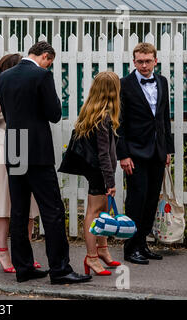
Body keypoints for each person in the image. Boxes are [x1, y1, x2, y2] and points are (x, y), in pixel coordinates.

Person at [0, 41, 91, 284]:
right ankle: (60, 269)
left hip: (15, 145)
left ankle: (23, 267)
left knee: (18, 210)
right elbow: (54, 113)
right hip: (37, 150)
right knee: (53, 211)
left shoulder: (5, 76)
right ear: (46, 57)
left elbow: (7, 113)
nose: (50, 64)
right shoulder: (42, 75)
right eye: (50, 60)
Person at [0, 53, 41, 273]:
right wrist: (2, 107)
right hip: (4, 149)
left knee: (29, 207)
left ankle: (25, 254)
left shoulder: (31, 93)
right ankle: (2, 252)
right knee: (4, 206)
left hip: (27, 148)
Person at [59, 71, 122, 276]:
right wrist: (110, 180)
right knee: (94, 213)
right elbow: (103, 153)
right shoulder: (103, 117)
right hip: (99, 172)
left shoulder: (94, 111)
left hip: (98, 171)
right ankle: (91, 257)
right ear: (113, 91)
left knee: (103, 211)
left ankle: (102, 250)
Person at [117, 43, 174, 265]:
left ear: (155, 61)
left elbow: (163, 118)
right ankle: (131, 249)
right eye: (139, 61)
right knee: (136, 201)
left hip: (158, 151)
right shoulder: (124, 84)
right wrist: (123, 155)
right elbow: (119, 123)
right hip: (134, 153)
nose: (143, 65)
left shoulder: (162, 82)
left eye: (147, 61)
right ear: (134, 62)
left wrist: (168, 149)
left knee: (151, 200)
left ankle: (143, 244)